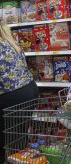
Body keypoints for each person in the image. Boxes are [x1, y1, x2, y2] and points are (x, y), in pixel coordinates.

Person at [0, 23, 39, 162]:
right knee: (17, 137)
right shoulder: (9, 42)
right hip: (29, 91)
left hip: (11, 96)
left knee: (6, 139)